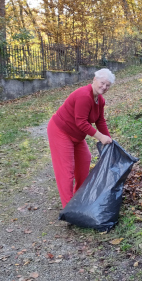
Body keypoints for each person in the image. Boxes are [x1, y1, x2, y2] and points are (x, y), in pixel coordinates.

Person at [47, 68, 115, 208]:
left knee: (84, 160)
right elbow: (81, 122)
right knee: (66, 170)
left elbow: (100, 120)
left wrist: (108, 139)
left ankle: (79, 198)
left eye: (107, 85)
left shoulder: (100, 100)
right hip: (61, 131)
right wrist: (100, 137)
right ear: (94, 79)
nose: (104, 87)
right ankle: (69, 208)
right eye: (102, 83)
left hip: (77, 135)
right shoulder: (84, 95)